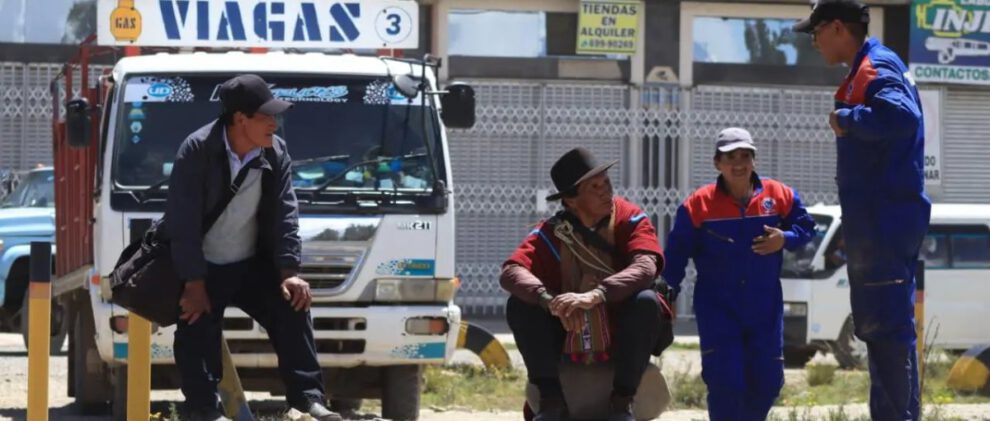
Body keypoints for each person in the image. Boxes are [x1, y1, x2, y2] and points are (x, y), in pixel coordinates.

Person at [162, 74, 341, 421]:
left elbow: (286, 213)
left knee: (294, 304)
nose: (275, 123)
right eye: (266, 116)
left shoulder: (276, 151)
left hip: (251, 263)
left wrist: (290, 272)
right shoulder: (198, 149)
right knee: (195, 326)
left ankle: (307, 400)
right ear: (240, 119)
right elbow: (181, 222)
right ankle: (203, 410)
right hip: (204, 265)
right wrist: (193, 282)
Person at [794, 1, 930, 418]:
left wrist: (849, 119)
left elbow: (902, 118)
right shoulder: (872, 63)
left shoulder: (875, 66)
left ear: (837, 27)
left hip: (884, 224)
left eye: (816, 32)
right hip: (881, 224)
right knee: (886, 336)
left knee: (886, 335)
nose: (813, 42)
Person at [500, 147, 672, 421]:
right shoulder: (552, 232)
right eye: (595, 187)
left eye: (607, 183)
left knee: (647, 302)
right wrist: (549, 300)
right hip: (568, 332)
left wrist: (597, 294)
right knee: (520, 304)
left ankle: (622, 401)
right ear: (571, 199)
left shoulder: (631, 219)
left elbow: (646, 265)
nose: (606, 191)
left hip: (621, 332)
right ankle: (551, 400)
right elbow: (512, 271)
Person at [663, 128, 815, 420]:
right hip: (718, 309)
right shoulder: (698, 205)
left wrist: (785, 238)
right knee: (726, 383)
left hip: (765, 309)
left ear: (754, 160)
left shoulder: (779, 195)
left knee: (769, 381)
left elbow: (806, 227)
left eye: (745, 155)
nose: (739, 163)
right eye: (730, 156)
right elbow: (676, 255)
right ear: (716, 163)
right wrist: (666, 295)